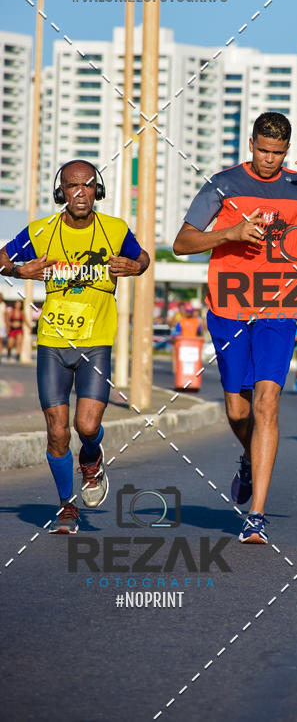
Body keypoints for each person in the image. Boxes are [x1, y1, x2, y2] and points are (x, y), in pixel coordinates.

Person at [173, 112, 297, 544]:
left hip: (279, 310)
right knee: (238, 411)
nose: (269, 160)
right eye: (263, 150)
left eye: (278, 153)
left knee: (266, 404)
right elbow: (182, 243)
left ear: (287, 150)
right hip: (228, 309)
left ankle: (256, 515)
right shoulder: (223, 184)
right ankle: (248, 457)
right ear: (250, 144)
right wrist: (230, 233)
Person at [0, 160, 149, 533]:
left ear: (96, 190)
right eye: (71, 186)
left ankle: (93, 459)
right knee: (57, 431)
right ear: (61, 192)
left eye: (86, 185)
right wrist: (20, 271)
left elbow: (142, 257)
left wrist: (135, 267)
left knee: (87, 425)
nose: (79, 192)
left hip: (96, 342)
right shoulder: (42, 230)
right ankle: (67, 506)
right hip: (52, 342)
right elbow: (1, 258)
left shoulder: (114, 230)